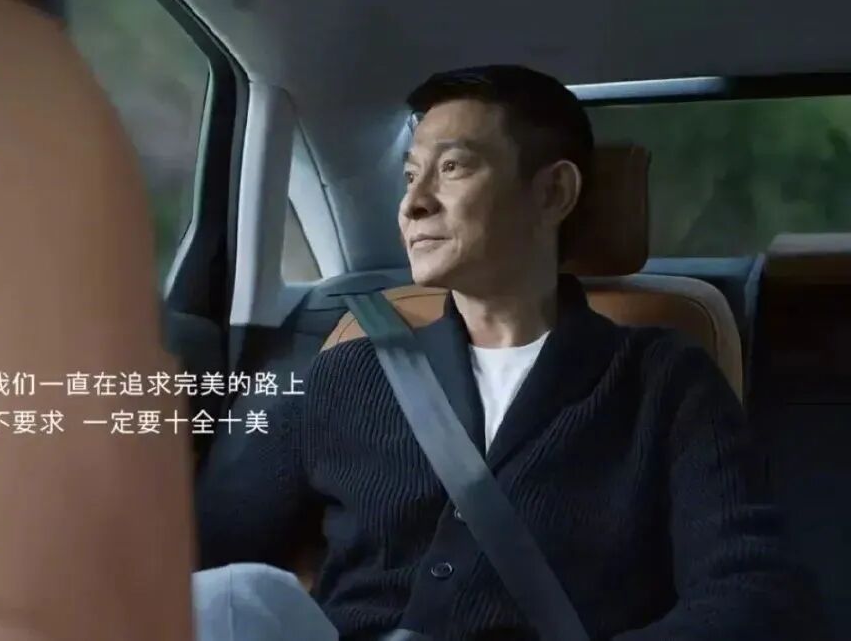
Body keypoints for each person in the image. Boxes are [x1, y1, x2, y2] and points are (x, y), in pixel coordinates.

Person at [193, 64, 823, 640]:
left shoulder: (663, 380)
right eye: (410, 176)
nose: (413, 203)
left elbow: (753, 594)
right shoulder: (343, 374)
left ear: (553, 193)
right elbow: (198, 554)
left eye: (453, 167)